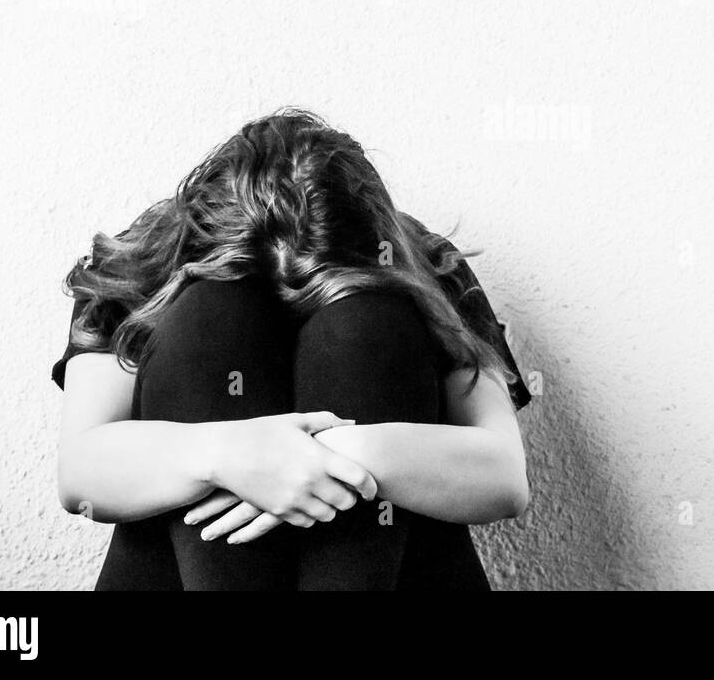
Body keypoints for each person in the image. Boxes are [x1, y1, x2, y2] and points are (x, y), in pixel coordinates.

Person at [53, 109, 531, 590]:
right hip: (184, 570)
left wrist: (340, 451)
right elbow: (80, 476)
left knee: (368, 325)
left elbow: (505, 477)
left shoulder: (422, 261)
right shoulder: (137, 262)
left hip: (385, 567)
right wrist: (226, 454)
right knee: (210, 317)